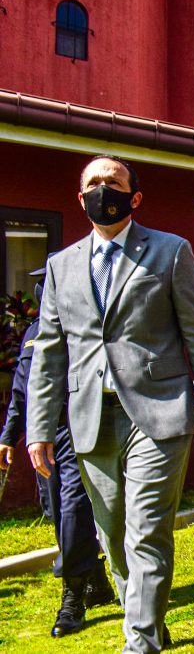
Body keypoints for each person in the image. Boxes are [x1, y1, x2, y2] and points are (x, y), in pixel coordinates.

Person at [26, 155, 194, 654]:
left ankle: (140, 642)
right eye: (93, 183)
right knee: (113, 534)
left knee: (146, 531)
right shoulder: (60, 266)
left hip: (158, 412)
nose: (103, 189)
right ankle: (148, 618)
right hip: (90, 418)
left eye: (113, 181)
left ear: (134, 197)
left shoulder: (170, 251)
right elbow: (50, 353)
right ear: (81, 198)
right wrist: (39, 427)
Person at [0, 266, 117, 639]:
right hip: (44, 436)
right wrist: (9, 436)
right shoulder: (34, 333)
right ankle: (96, 581)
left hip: (76, 427)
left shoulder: (81, 326)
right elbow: (23, 390)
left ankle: (72, 596)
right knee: (56, 511)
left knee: (73, 509)